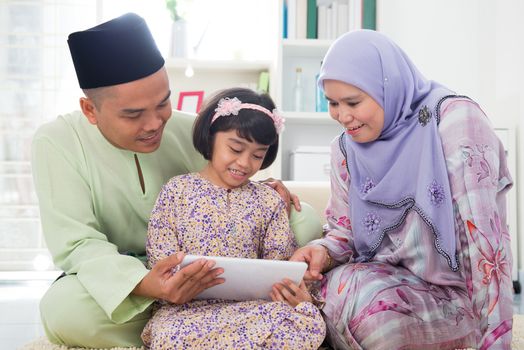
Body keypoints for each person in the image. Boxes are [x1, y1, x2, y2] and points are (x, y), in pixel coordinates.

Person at [31, 13, 322, 348]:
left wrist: (272, 190)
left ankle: (210, 329)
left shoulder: (193, 128)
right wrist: (148, 285)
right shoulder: (56, 141)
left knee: (306, 222)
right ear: (90, 110)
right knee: (64, 309)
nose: (155, 123)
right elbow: (79, 245)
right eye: (133, 114)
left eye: (163, 102)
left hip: (209, 271)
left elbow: (237, 178)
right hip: (125, 281)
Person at [290, 30, 514, 349]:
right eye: (332, 103)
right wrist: (322, 252)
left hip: (459, 296)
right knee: (320, 289)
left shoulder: (454, 122)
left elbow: (484, 248)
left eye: (353, 102)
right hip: (393, 281)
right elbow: (345, 233)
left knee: (375, 317)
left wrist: (495, 340)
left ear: (387, 87)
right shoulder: (345, 150)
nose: (343, 117)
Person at [140, 87, 326, 349]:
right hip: (187, 312)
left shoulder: (269, 200)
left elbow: (280, 264)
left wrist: (293, 292)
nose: (245, 163)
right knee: (171, 335)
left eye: (258, 155)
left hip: (251, 310)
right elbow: (162, 260)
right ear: (212, 137)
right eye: (235, 148)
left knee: (305, 323)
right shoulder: (177, 191)